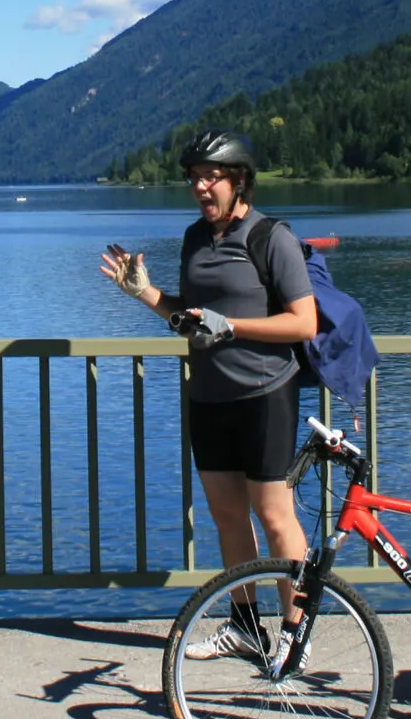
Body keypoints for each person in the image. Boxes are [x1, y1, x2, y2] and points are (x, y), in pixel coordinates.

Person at [100, 130, 317, 661]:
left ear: (239, 180)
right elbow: (191, 320)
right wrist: (146, 293)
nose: (201, 186)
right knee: (226, 516)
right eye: (195, 177)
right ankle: (245, 626)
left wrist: (231, 327)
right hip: (210, 394)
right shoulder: (196, 237)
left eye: (211, 176)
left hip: (265, 392)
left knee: (274, 515)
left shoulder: (271, 238)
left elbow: (304, 323)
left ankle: (296, 631)